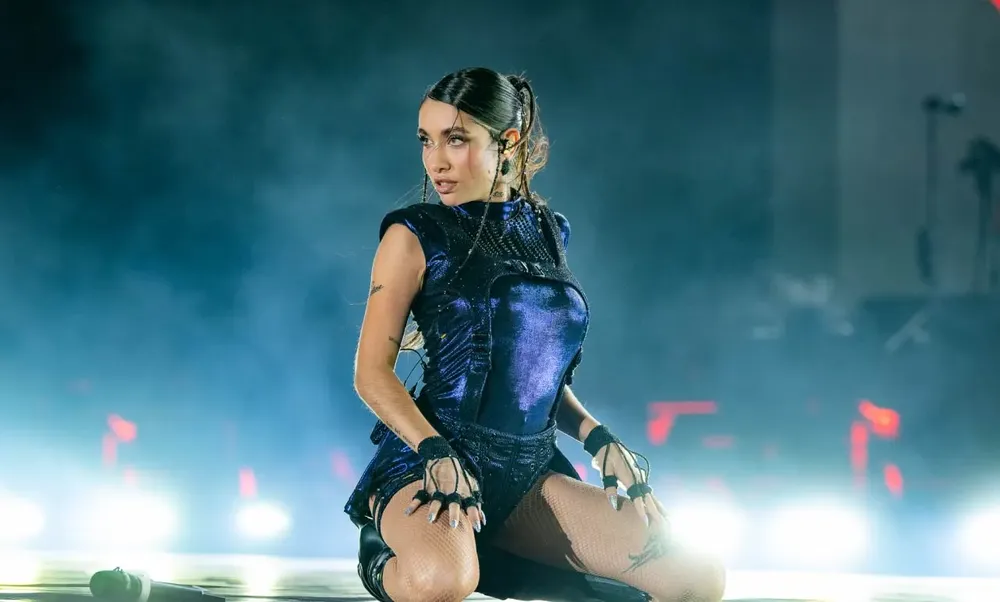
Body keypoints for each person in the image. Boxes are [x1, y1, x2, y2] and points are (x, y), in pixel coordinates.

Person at [344, 67, 726, 602]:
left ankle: (500, 560)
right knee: (441, 583)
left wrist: (598, 438)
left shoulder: (548, 231)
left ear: (508, 142)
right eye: (427, 140)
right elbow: (371, 374)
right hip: (431, 462)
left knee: (698, 578)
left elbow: (534, 375)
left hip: (527, 472)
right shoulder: (414, 234)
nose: (436, 161)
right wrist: (435, 452)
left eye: (456, 139)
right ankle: (382, 554)